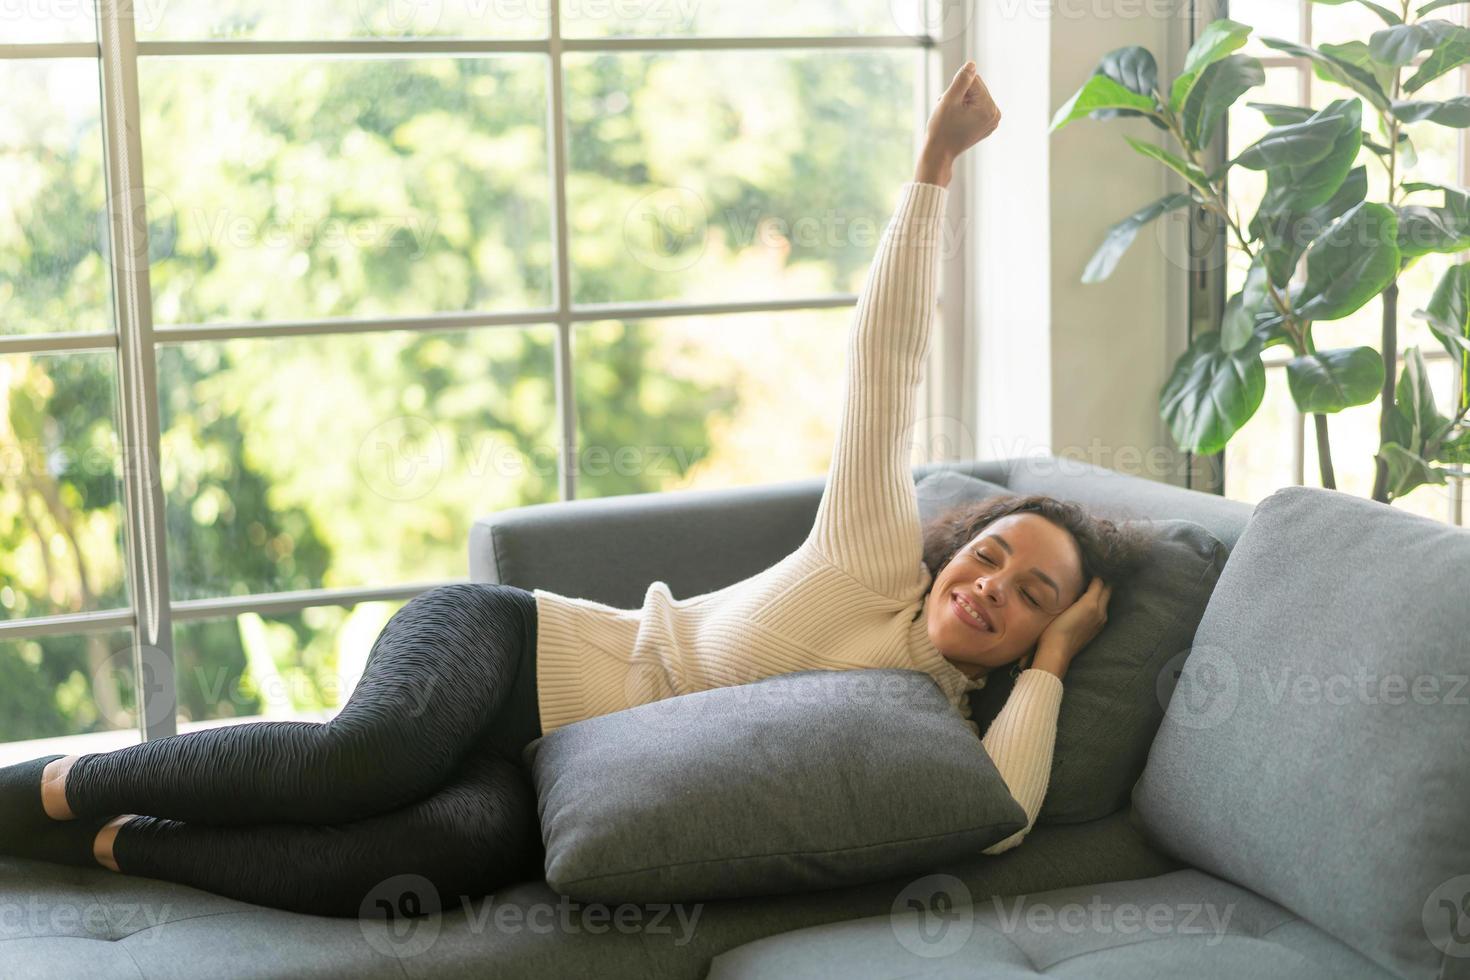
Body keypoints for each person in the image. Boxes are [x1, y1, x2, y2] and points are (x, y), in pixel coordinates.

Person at [0, 61, 1140, 917]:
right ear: (957, 548)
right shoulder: (873, 559)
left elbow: (1004, 821)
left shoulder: (934, 742)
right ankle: (45, 787)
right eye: (995, 553)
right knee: (371, 757)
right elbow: (882, 367)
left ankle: (113, 844)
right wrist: (933, 168)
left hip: (542, 775)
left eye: (1035, 594)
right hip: (506, 647)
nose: (996, 585)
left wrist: (1050, 669)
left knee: (418, 864)